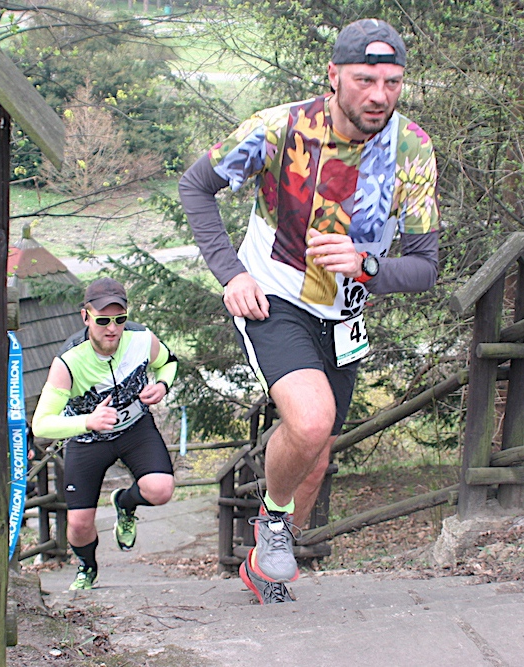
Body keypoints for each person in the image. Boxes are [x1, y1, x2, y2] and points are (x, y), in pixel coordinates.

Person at [178, 18, 439, 604]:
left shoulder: (413, 148)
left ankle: (265, 562)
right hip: (272, 298)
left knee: (316, 457)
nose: (379, 95)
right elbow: (195, 186)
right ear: (334, 76)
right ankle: (273, 523)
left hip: (344, 316)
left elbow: (425, 267)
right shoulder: (279, 128)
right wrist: (232, 273)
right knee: (312, 419)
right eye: (365, 79)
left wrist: (367, 266)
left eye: (392, 82)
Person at [31, 277, 178, 590]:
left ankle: (125, 503)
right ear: (85, 317)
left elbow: (168, 362)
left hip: (135, 429)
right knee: (79, 523)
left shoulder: (141, 338)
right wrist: (87, 421)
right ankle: (87, 567)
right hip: (88, 440)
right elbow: (41, 424)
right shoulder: (68, 361)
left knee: (161, 490)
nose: (112, 328)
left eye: (119, 319)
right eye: (102, 321)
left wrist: (163, 385)